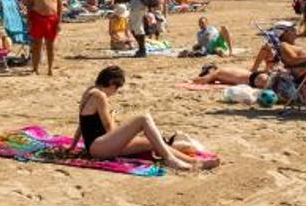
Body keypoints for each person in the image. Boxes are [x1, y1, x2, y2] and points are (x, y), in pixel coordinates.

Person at [73, 66, 217, 170]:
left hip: (97, 145)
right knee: (143, 118)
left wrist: (72, 146)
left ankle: (194, 162)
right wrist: (112, 116)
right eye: (116, 89)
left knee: (152, 141)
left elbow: (82, 123)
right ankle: (170, 159)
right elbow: (110, 128)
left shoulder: (89, 92)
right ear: (111, 83)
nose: (115, 93)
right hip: (100, 147)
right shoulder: (100, 96)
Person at [21, 0, 63, 76]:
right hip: (37, 17)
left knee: (51, 45)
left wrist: (59, 22)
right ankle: (35, 69)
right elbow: (28, 2)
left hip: (52, 18)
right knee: (36, 45)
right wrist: (29, 19)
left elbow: (60, 5)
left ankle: (50, 69)